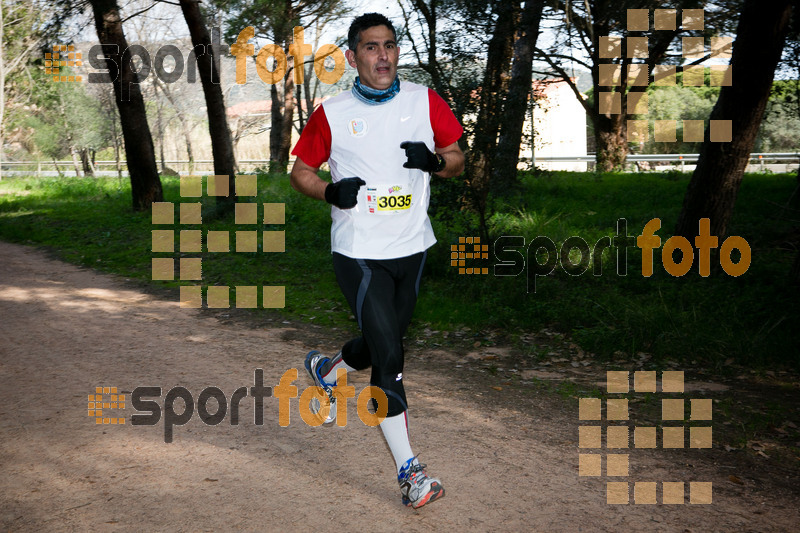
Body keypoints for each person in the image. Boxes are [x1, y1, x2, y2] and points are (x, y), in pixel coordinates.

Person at [289, 12, 464, 509]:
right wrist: (328, 191)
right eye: (370, 47)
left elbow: (456, 157)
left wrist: (434, 163)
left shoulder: (423, 101)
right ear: (352, 57)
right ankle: (411, 474)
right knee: (390, 356)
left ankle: (327, 370)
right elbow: (300, 171)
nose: (382, 55)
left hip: (412, 249)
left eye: (388, 45)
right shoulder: (334, 111)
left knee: (378, 340)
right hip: (358, 252)